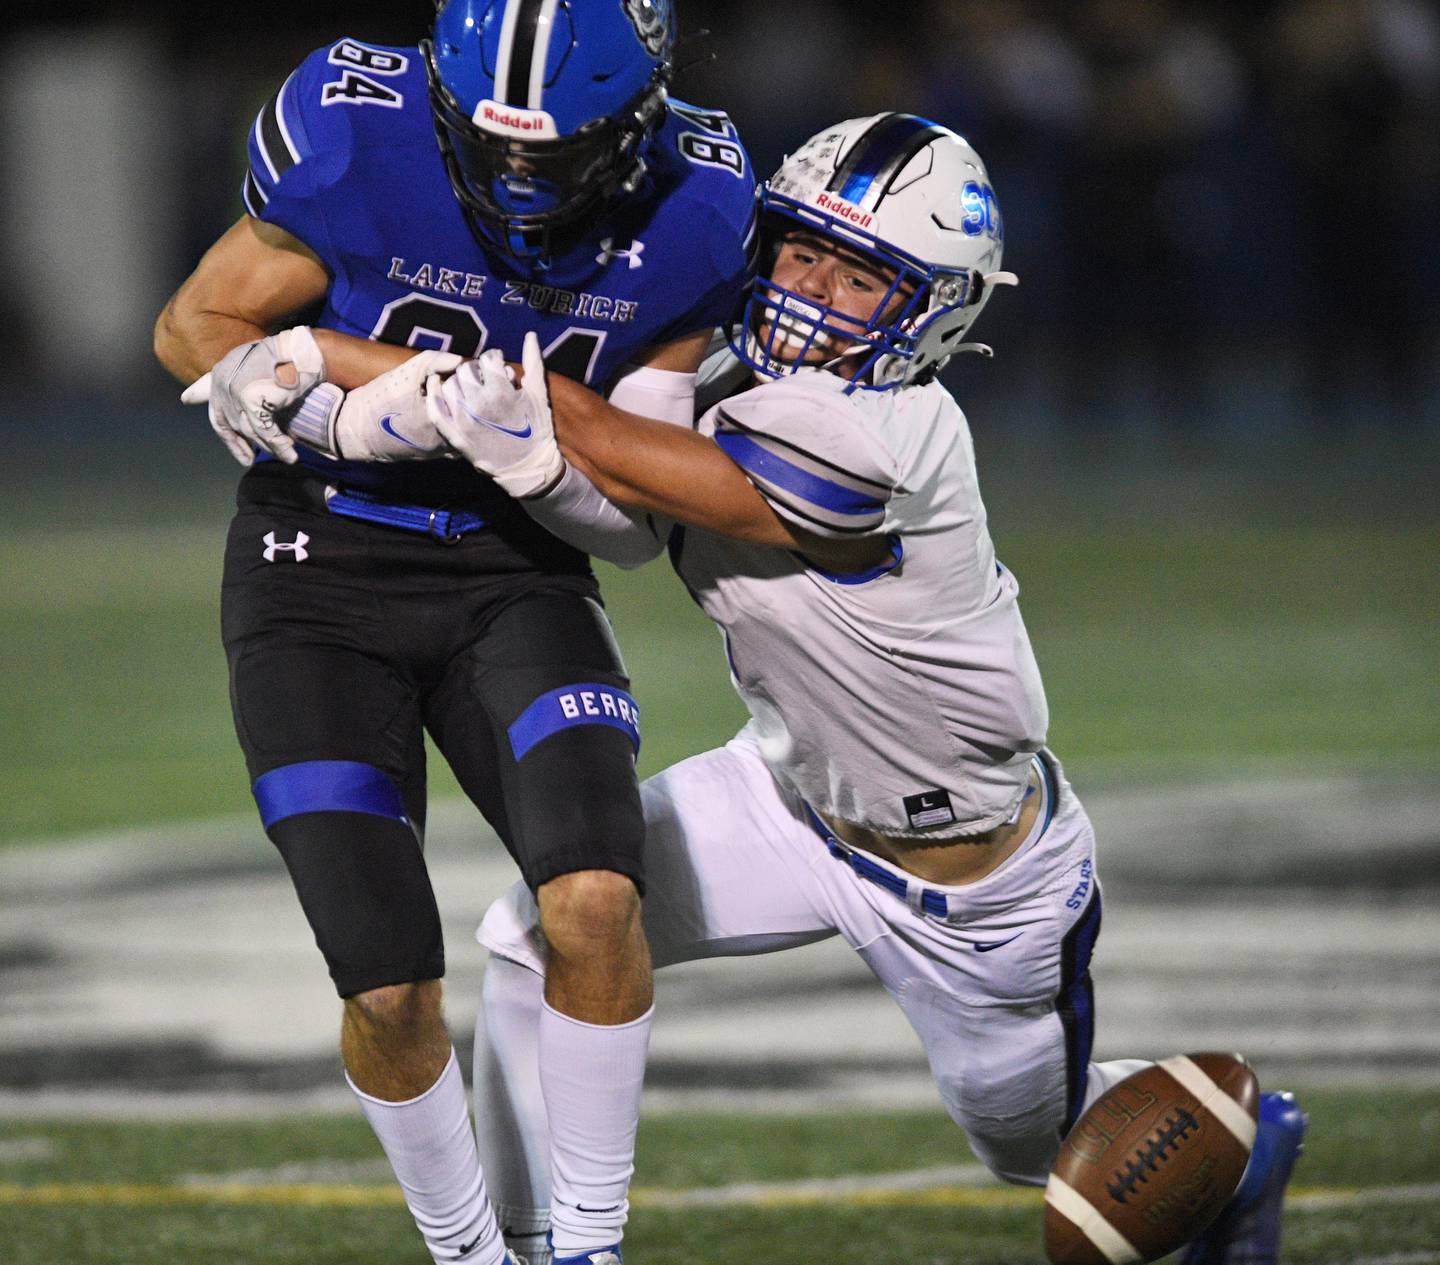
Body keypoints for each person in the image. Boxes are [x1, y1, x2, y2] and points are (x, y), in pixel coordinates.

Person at [335, 113, 1307, 1264]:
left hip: (968, 878)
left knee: (1037, 1148)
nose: (809, 288)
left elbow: (676, 469)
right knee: (540, 935)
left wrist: (517, 396)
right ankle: (545, 1249)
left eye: (858, 279)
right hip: (787, 797)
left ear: (932, 310)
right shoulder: (727, 371)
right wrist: (353, 374)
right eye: (801, 251)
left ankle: (1244, 1142)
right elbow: (616, 499)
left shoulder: (895, 428)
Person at [153, 3, 756, 1263]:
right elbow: (193, 329)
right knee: (386, 983)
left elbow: (637, 517)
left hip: (516, 570)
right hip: (315, 567)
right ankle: (469, 1252)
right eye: (496, 146)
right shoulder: (355, 132)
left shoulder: (693, 201)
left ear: (635, 122)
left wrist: (538, 466)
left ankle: (589, 1244)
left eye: (559, 150)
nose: (521, 178)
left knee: (594, 898)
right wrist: (342, 410)